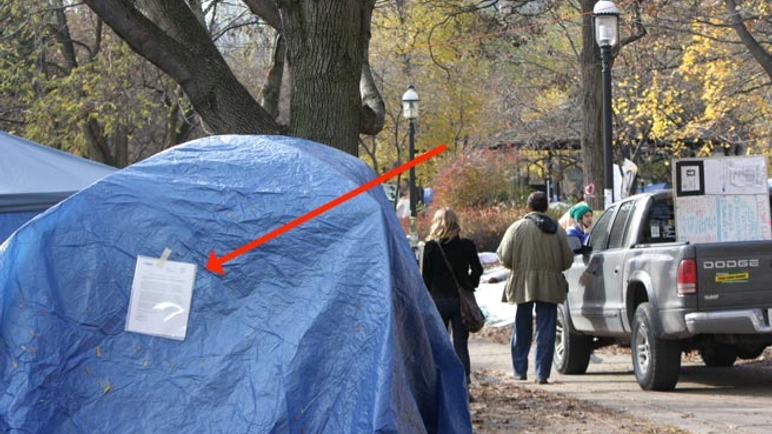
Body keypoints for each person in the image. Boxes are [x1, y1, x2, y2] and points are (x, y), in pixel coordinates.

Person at [496, 191, 573, 384]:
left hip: (523, 284)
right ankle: (542, 374)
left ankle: (519, 370)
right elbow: (567, 260)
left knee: (522, 325)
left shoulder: (517, 228)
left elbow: (504, 257)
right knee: (546, 329)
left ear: (528, 208)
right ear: (546, 208)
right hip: (550, 285)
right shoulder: (558, 230)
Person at [421, 207, 484, 388]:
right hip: (460, 301)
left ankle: (441, 381)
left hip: (437, 300)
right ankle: (464, 381)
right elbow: (478, 270)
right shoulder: (467, 245)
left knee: (440, 343)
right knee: (460, 343)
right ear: (456, 223)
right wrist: (469, 284)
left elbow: (426, 277)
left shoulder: (431, 247)